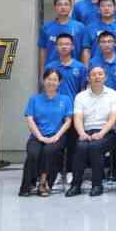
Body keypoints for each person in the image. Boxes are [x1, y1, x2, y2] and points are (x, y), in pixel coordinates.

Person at [65, 66, 116, 197]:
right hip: (86, 132)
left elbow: (113, 118)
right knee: (80, 146)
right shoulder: (80, 96)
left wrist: (101, 133)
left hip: (107, 133)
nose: (97, 77)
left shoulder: (115, 95)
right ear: (88, 78)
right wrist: (81, 134)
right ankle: (76, 185)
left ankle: (97, 185)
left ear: (105, 77)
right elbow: (78, 118)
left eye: (100, 74)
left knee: (95, 147)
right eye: (94, 74)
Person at [21, 69, 73, 197]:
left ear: (59, 82)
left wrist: (56, 136)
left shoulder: (65, 100)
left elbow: (68, 121)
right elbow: (30, 119)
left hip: (57, 135)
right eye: (49, 79)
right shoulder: (34, 99)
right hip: (37, 135)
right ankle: (28, 184)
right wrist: (40, 137)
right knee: (33, 153)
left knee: (49, 151)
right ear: (43, 80)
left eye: (55, 80)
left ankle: (44, 183)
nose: (51, 82)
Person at [38, 0, 86, 73]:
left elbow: (84, 51)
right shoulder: (46, 28)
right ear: (54, 8)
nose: (63, 7)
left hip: (73, 71)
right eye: (59, 5)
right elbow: (43, 52)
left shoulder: (80, 27)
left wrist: (84, 72)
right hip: (51, 71)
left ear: (71, 7)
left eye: (66, 4)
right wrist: (42, 73)